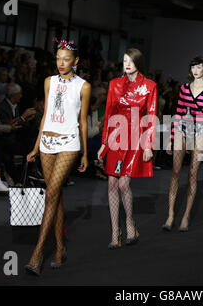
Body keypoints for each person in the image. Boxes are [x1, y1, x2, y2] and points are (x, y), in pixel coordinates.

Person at [24, 38, 91, 276]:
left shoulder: (83, 86)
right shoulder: (48, 82)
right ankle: (61, 248)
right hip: (46, 143)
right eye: (58, 58)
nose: (61, 63)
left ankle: (38, 252)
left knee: (51, 194)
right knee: (56, 196)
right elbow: (45, 116)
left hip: (69, 143)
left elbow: (82, 121)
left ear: (76, 61)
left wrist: (84, 152)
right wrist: (35, 146)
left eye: (66, 59)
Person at [97, 48, 157, 248]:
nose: (127, 64)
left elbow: (151, 116)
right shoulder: (114, 85)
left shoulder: (150, 86)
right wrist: (104, 143)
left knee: (123, 184)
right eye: (124, 60)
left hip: (135, 138)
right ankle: (115, 231)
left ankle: (130, 221)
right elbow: (108, 115)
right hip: (116, 137)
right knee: (112, 184)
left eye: (131, 60)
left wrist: (148, 144)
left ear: (138, 62)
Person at [162, 55, 203, 231]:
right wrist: (171, 139)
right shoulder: (185, 88)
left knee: (192, 175)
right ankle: (170, 215)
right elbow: (178, 113)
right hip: (182, 129)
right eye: (193, 67)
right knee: (176, 172)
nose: (195, 71)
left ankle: (186, 216)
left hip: (200, 131)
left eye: (198, 67)